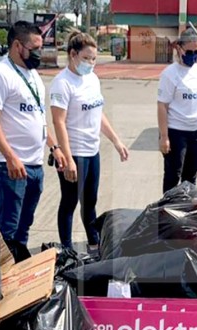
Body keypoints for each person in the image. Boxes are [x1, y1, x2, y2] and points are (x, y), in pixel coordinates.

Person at [0, 21, 65, 261]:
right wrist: (10, 156)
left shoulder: (33, 75)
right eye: (34, 47)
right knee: (7, 228)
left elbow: (37, 119)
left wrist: (54, 146)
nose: (40, 53)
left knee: (23, 226)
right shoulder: (0, 75)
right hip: (10, 167)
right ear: (17, 45)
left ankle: (14, 272)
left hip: (34, 165)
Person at [50, 30, 129, 257]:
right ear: (73, 54)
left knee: (90, 201)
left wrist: (116, 141)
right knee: (69, 202)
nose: (91, 63)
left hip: (92, 151)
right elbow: (58, 121)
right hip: (74, 153)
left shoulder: (92, 79)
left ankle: (94, 243)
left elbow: (98, 113)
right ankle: (66, 248)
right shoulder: (62, 83)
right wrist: (68, 158)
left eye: (94, 59)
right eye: (87, 58)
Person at [158, 28, 197, 193]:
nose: (193, 55)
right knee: (173, 175)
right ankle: (167, 210)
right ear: (179, 49)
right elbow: (162, 106)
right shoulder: (170, 74)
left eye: (196, 52)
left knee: (191, 175)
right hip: (176, 132)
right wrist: (164, 136)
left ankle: (187, 210)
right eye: (189, 51)